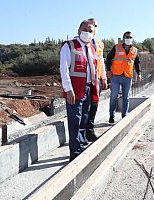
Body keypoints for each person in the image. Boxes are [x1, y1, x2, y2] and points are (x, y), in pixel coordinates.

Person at [59, 20, 100, 161]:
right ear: (78, 30)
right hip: (74, 90)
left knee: (84, 118)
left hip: (88, 88)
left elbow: (94, 68)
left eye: (90, 30)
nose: (87, 32)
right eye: (85, 29)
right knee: (75, 121)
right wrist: (68, 89)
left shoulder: (91, 48)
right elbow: (64, 69)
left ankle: (81, 144)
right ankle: (75, 153)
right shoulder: (69, 46)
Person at [106, 31, 141, 123]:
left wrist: (139, 73)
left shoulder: (135, 50)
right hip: (116, 76)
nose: (129, 39)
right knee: (114, 96)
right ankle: (111, 115)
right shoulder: (116, 47)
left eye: (130, 37)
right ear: (123, 38)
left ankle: (124, 116)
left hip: (127, 76)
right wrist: (108, 70)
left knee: (126, 97)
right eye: (127, 37)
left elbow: (137, 63)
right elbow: (108, 58)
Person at [85, 18, 107, 142]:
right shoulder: (80, 41)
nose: (94, 27)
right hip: (85, 79)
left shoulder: (99, 44)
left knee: (94, 105)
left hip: (96, 79)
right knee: (84, 108)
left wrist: (103, 78)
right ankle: (82, 133)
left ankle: (90, 131)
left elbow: (101, 61)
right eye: (92, 25)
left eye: (96, 25)